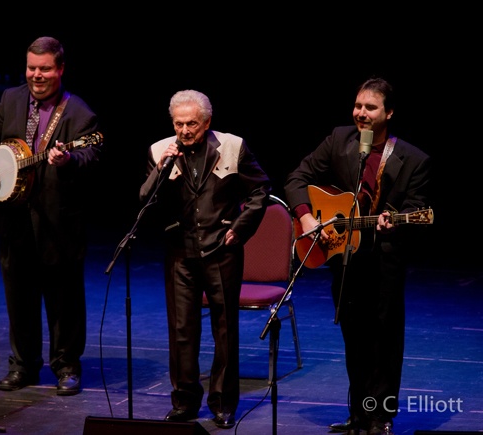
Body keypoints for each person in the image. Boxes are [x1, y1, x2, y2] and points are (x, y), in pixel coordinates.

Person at [284, 78, 431, 434]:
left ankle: (381, 416)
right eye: (358, 106)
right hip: (346, 258)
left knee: (384, 339)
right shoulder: (340, 139)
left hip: (385, 260)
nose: (361, 113)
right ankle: (360, 413)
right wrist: (307, 217)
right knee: (354, 338)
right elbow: (297, 178)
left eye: (370, 107)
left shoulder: (414, 159)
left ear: (389, 113)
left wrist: (393, 222)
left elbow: (416, 208)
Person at [0, 36, 101, 396]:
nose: (36, 75)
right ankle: (23, 366)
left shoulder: (79, 112)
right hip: (14, 218)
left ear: (60, 69)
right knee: (19, 298)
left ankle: (67, 366)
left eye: (45, 69)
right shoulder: (11, 99)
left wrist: (68, 159)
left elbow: (91, 157)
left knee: (64, 301)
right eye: (31, 68)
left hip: (58, 223)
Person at [140, 90, 271, 429]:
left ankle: (223, 403)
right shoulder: (159, 150)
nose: (184, 130)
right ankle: (184, 401)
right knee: (182, 330)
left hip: (222, 252)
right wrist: (161, 167)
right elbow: (144, 199)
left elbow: (260, 191)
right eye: (179, 124)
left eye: (192, 124)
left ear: (207, 122)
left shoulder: (232, 146)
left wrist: (240, 229)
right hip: (180, 253)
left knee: (224, 330)